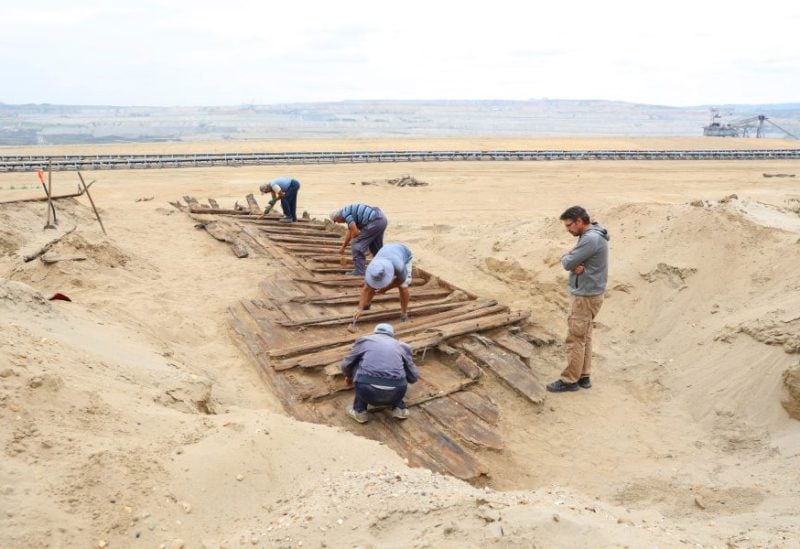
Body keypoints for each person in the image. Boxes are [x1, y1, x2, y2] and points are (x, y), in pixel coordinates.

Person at [547, 205, 610, 393]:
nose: (568, 230)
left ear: (580, 221)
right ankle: (584, 376)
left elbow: (567, 262)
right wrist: (575, 258)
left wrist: (569, 256)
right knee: (585, 336)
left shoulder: (590, 239)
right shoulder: (594, 234)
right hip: (592, 293)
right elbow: (575, 261)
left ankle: (570, 380)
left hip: (585, 296)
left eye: (569, 226)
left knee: (575, 338)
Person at [340, 323, 419, 423]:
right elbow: (414, 377)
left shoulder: (364, 341)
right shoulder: (403, 346)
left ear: (375, 332)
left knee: (357, 363)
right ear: (392, 334)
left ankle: (359, 411)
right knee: (401, 367)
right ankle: (400, 409)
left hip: (367, 391)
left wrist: (348, 376)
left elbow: (345, 365)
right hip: (397, 393)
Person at [354, 243, 412, 322]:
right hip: (387, 251)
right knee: (374, 281)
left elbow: (401, 280)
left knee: (403, 286)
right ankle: (367, 304)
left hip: (404, 254)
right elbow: (366, 289)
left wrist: (385, 289)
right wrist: (359, 308)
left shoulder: (399, 266)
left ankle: (404, 313)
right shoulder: (373, 267)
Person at [330, 204, 388, 276]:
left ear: (338, 217)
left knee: (357, 245)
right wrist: (343, 247)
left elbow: (355, 232)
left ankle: (359, 271)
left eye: (335, 221)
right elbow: (350, 232)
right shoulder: (347, 213)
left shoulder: (346, 215)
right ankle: (384, 268)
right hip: (381, 219)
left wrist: (355, 241)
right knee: (376, 248)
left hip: (375, 221)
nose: (337, 223)